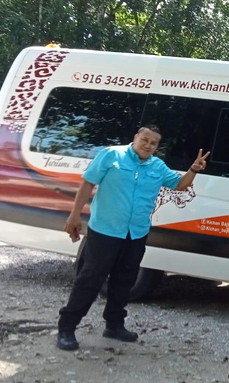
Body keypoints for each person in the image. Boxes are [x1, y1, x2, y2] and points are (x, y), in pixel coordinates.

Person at [57, 125, 209, 351]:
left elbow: (179, 185)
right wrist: (74, 214)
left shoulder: (157, 166)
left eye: (153, 143)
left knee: (124, 280)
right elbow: (88, 182)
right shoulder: (112, 155)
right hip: (105, 230)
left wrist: (193, 170)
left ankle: (114, 326)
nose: (148, 145)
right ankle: (67, 328)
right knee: (91, 279)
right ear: (136, 138)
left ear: (157, 146)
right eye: (145, 140)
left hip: (136, 233)